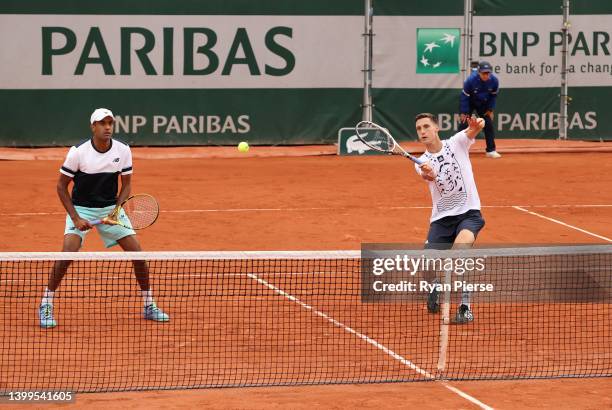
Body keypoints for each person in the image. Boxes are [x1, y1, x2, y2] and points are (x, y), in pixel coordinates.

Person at [38, 108, 169, 328]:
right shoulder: (78, 152)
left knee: (138, 255)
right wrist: (76, 217)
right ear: (93, 127)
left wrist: (116, 210)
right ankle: (46, 303)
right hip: (81, 208)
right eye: (102, 123)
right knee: (67, 253)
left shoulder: (123, 150)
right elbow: (61, 187)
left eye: (110, 123)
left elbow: (126, 185)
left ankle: (148, 304)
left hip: (110, 208)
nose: (107, 127)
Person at [414, 113, 486, 323]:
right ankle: (435, 285)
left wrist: (477, 123)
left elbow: (475, 128)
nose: (423, 131)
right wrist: (428, 172)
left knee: (459, 255)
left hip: (469, 214)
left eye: (426, 126)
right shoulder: (420, 161)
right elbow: (426, 175)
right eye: (419, 129)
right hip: (441, 219)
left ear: (436, 128)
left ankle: (465, 307)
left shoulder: (456, 143)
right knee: (426, 268)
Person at [458, 61, 501, 159]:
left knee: (488, 124)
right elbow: (464, 97)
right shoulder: (470, 81)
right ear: (479, 72)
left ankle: (491, 151)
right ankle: (458, 149)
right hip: (469, 101)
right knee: (464, 123)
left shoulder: (494, 81)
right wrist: (464, 112)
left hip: (483, 103)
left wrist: (490, 109)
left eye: (488, 73)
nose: (486, 75)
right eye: (483, 73)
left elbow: (493, 96)